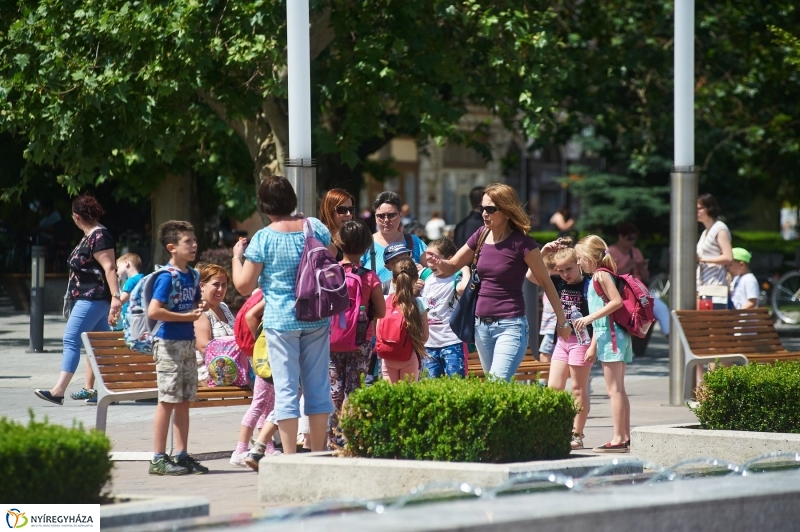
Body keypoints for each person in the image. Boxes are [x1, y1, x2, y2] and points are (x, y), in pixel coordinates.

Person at [232, 175, 334, 454]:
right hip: (316, 316)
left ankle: (290, 458)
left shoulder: (264, 238)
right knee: (317, 387)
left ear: (264, 206)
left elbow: (243, 286)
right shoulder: (314, 227)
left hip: (280, 321)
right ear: (292, 200)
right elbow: (331, 257)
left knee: (287, 390)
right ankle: (318, 452)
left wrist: (235, 258)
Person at [427, 183, 570, 381]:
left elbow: (546, 283)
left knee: (497, 382)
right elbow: (451, 265)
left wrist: (562, 322)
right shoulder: (481, 235)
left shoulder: (523, 243)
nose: (484, 213)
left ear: (506, 210)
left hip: (510, 326)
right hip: (480, 326)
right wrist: (438, 262)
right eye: (482, 208)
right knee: (494, 388)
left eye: (491, 209)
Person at [34, 194, 122, 406]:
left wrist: (116, 297)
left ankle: (59, 390)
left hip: (92, 297)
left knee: (71, 339)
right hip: (91, 297)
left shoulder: (99, 236)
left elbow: (110, 267)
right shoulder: (90, 235)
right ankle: (111, 391)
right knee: (99, 345)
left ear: (76, 216)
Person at [148, 220, 209, 475]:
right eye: (188, 242)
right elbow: (155, 310)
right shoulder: (167, 276)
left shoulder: (193, 275)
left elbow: (194, 303)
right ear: (171, 247)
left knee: (184, 400)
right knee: (167, 400)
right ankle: (158, 458)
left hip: (187, 344)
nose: (194, 245)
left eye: (194, 241)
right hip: (169, 344)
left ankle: (182, 454)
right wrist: (187, 317)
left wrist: (201, 307)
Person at [573, 235, 632, 453]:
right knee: (619, 389)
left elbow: (615, 302)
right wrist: (593, 345)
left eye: (580, 258)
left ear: (590, 256)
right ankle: (624, 436)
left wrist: (588, 319)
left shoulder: (599, 275)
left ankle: (618, 438)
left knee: (614, 389)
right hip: (613, 336)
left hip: (612, 338)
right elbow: (606, 315)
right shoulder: (602, 275)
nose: (578, 263)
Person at [328, 220, 385, 442]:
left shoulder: (330, 273)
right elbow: (380, 312)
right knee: (354, 390)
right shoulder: (369, 277)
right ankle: (350, 436)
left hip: (331, 341)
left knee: (334, 390)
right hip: (360, 342)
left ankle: (332, 437)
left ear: (339, 242)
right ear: (366, 246)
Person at [537, 237, 594, 451]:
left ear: (578, 263)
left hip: (582, 342)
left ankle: (576, 435)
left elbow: (600, 319)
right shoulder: (558, 282)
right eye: (560, 270)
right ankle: (556, 430)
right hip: (561, 341)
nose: (565, 275)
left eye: (569, 269)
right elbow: (532, 276)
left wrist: (594, 345)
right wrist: (544, 252)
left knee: (578, 390)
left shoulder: (589, 285)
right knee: (554, 388)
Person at [232, 288, 282, 468]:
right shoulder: (272, 293)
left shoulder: (268, 292)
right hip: (267, 358)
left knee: (268, 403)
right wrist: (261, 344)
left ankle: (267, 447)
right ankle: (240, 449)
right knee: (259, 403)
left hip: (267, 356)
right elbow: (251, 316)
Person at [608, 222, 669, 341]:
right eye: (629, 238)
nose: (632, 242)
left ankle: (670, 338)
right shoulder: (612, 252)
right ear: (621, 236)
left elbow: (645, 276)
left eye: (634, 239)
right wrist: (628, 266)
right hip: (622, 291)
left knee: (661, 308)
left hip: (639, 290)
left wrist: (641, 267)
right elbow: (610, 275)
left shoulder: (635, 252)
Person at [421, 237, 470, 378]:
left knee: (455, 385)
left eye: (434, 259)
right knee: (430, 388)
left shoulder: (457, 277)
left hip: (452, 342)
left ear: (450, 258)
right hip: (428, 344)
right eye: (427, 259)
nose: (430, 264)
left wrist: (463, 267)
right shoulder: (425, 276)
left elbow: (463, 289)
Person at [378, 257, 429, 383]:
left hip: (387, 357)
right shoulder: (420, 304)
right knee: (408, 397)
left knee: (390, 398)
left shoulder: (384, 301)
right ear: (416, 278)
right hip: (409, 356)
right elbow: (424, 337)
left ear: (394, 280)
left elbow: (378, 332)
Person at [362, 191, 427, 282]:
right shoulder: (365, 244)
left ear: (400, 215)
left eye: (391, 215)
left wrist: (424, 272)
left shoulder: (414, 242)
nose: (386, 220)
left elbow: (434, 273)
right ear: (375, 218)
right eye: (381, 216)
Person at [193, 264, 236, 384]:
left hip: (231, 367)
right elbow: (204, 347)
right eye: (216, 284)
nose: (220, 290)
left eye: (224, 285)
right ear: (202, 285)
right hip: (211, 371)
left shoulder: (224, 307)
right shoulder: (199, 310)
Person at [696, 193, 733, 287]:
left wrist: (703, 259)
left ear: (709, 208)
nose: (696, 212)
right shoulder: (705, 233)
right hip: (703, 284)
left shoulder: (719, 228)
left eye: (700, 208)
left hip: (716, 285)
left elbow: (728, 257)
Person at [110, 253, 144, 334]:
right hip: (140, 318)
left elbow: (121, 301)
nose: (117, 272)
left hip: (130, 319)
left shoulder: (131, 281)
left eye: (118, 268)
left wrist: (113, 310)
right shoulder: (143, 278)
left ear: (126, 263)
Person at [319, 188, 355, 261]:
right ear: (329, 211)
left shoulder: (355, 238)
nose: (348, 214)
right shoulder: (321, 239)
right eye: (342, 210)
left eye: (351, 210)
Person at [538, 252, 558, 374]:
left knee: (545, 355)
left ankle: (543, 385)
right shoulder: (550, 283)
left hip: (552, 329)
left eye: (545, 270)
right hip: (549, 328)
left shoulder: (554, 283)